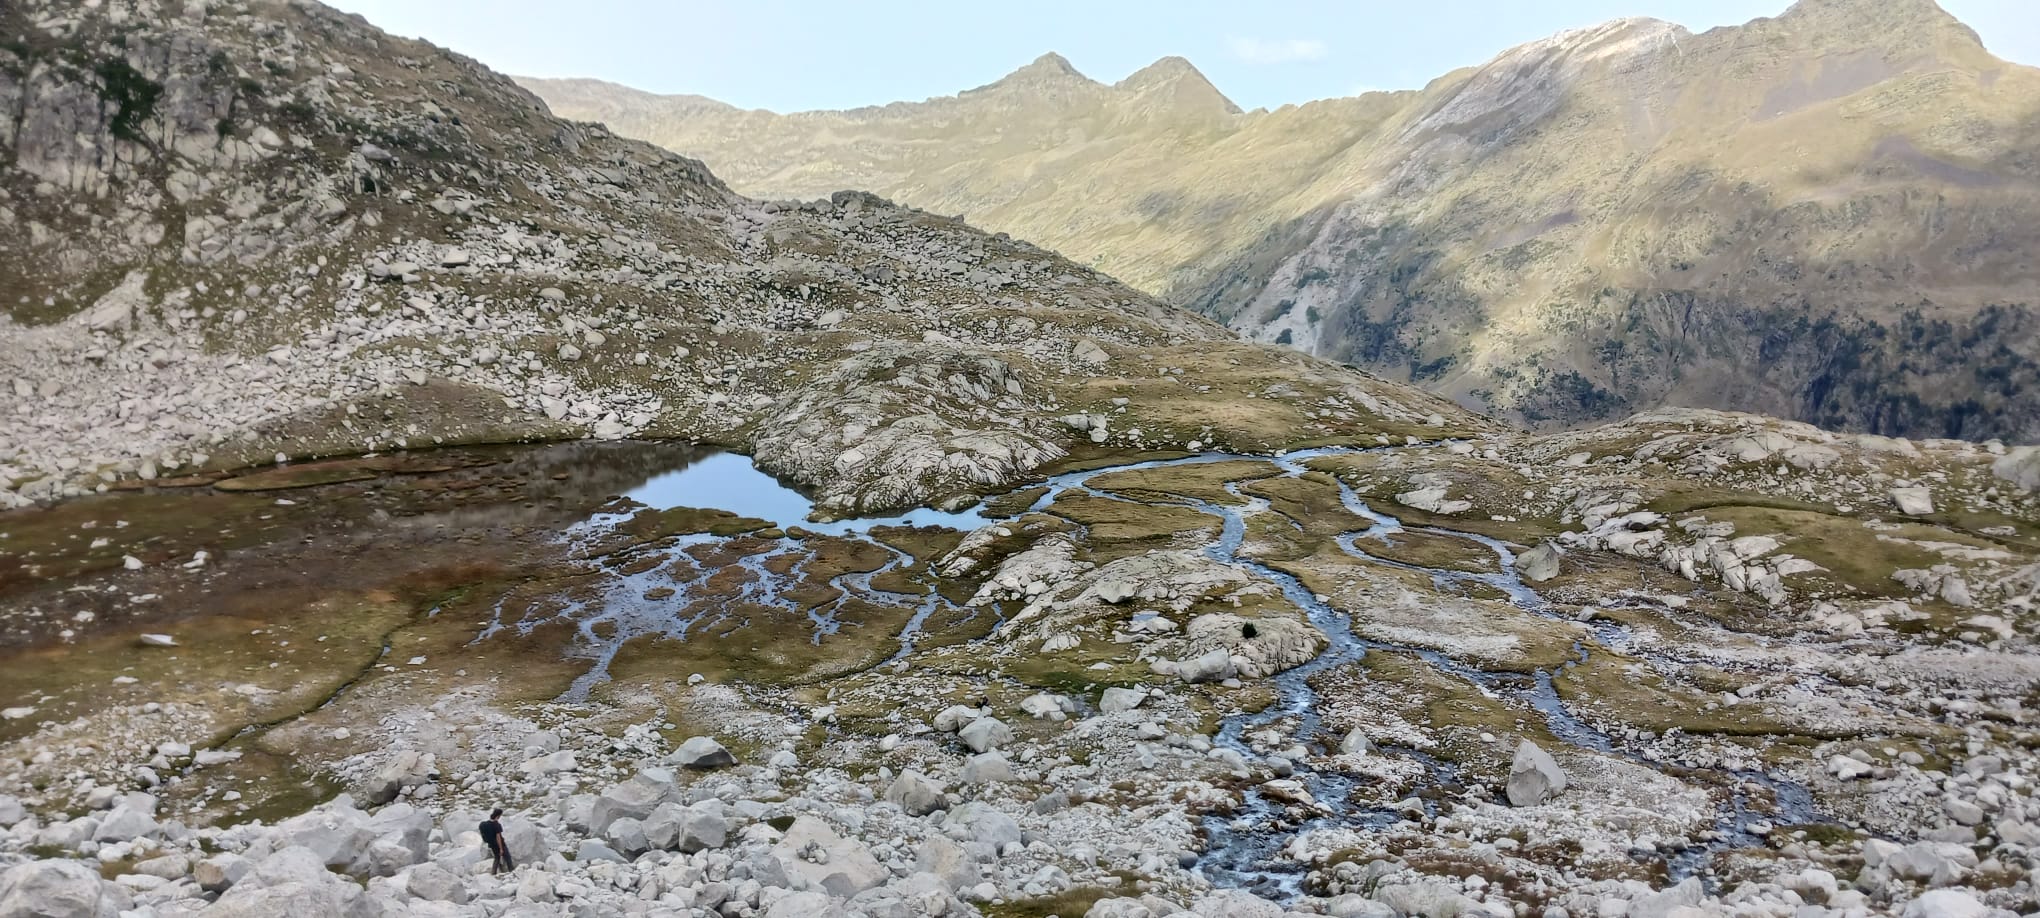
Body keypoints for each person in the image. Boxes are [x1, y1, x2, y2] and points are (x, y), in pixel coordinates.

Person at [481, 808, 513, 874]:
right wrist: (501, 849)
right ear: (498, 816)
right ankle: (511, 871)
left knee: (497, 858)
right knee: (508, 858)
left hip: (492, 845)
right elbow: (498, 837)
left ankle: (493, 872)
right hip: (500, 845)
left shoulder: (486, 823)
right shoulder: (496, 825)